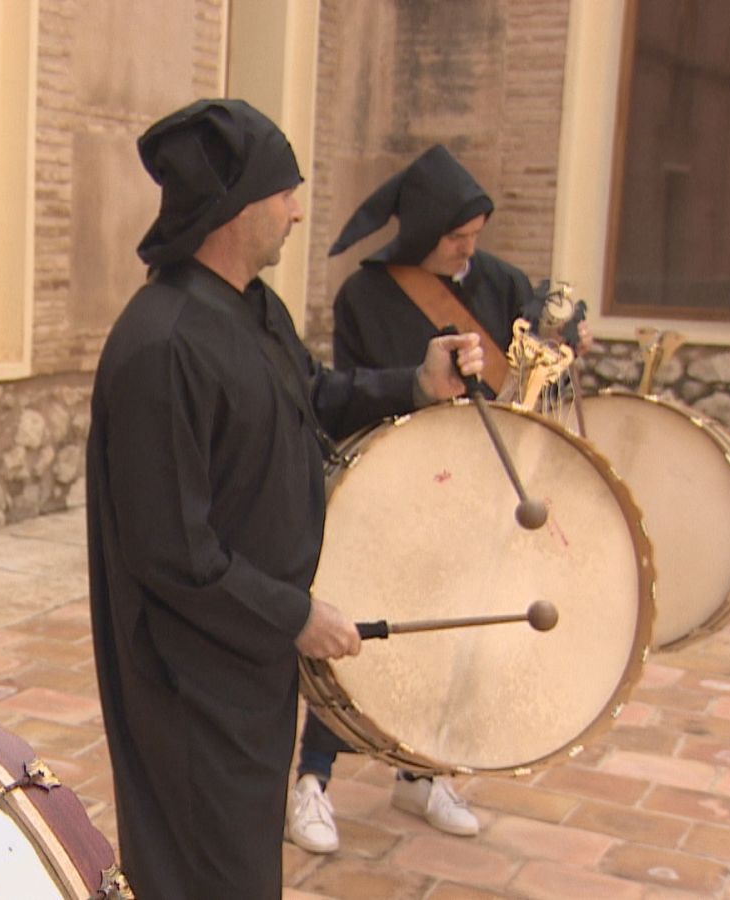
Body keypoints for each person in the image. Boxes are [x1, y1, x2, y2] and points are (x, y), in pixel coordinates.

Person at [86, 99, 483, 899]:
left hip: (248, 656)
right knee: (204, 869)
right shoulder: (161, 346)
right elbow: (173, 554)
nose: (299, 212)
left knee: (239, 865)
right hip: (189, 677)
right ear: (235, 208)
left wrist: (415, 382)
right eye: (286, 192)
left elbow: (311, 394)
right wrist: (295, 614)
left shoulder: (252, 310)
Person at [285, 143, 591, 854]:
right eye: (457, 238)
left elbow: (544, 354)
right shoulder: (364, 294)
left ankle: (422, 773)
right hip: (399, 479)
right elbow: (354, 393)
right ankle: (314, 780)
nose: (469, 251)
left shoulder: (502, 281)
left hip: (479, 482)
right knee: (363, 628)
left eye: (475, 237)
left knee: (449, 630)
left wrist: (566, 333)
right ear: (423, 233)